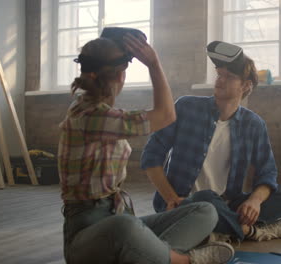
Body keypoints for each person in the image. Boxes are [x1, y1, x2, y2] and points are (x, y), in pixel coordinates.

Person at [58, 30, 234, 264]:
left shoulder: (101, 113)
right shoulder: (90, 116)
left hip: (117, 221)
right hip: (87, 240)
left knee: (205, 211)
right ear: (120, 77)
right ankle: (185, 261)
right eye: (123, 71)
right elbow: (166, 115)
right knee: (125, 227)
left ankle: (154, 256)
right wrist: (153, 64)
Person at [141, 41, 281, 243]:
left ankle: (221, 230)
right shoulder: (186, 107)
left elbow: (267, 173)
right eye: (219, 74)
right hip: (182, 202)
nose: (220, 80)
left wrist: (254, 201)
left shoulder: (254, 124)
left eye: (230, 77)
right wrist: (170, 197)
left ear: (246, 85)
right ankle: (249, 231)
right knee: (204, 198)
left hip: (226, 204)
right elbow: (151, 157)